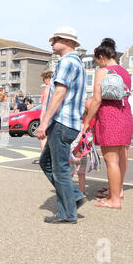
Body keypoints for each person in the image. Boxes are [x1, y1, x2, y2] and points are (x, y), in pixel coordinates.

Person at [36, 26, 87, 224]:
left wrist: (45, 121)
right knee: (47, 162)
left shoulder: (66, 62)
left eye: (56, 39)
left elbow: (59, 93)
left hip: (62, 121)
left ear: (68, 42)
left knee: (59, 168)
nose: (52, 42)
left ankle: (67, 213)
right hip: (70, 122)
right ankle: (73, 196)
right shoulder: (78, 63)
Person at [83, 38, 132, 209]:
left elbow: (97, 100)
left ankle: (114, 201)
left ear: (101, 57)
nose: (98, 64)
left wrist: (87, 122)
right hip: (125, 116)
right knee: (119, 159)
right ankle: (116, 193)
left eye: (97, 61)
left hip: (110, 119)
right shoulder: (125, 72)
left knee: (111, 161)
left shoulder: (103, 71)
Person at [70, 98, 95, 195]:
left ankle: (67, 192)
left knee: (69, 174)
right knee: (81, 174)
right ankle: (82, 192)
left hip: (72, 152)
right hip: (83, 153)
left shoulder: (76, 125)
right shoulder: (90, 125)